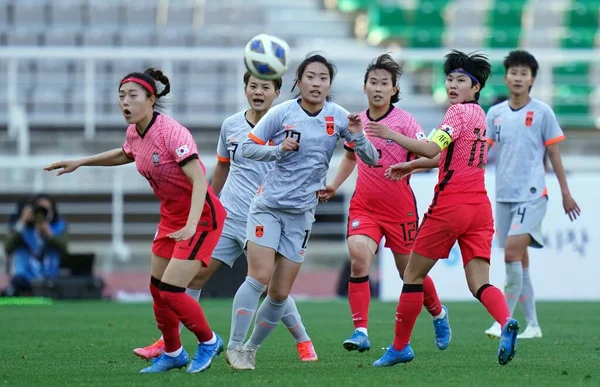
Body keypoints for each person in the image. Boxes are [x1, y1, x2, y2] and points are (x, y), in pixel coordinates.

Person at [45, 68, 226, 374]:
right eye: (121, 96)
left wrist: (193, 224)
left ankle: (209, 341)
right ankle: (173, 353)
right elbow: (127, 153)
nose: (124, 102)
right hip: (171, 217)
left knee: (171, 290)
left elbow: (198, 180)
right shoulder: (134, 132)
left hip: (201, 216)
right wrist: (81, 162)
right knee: (157, 289)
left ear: (151, 99)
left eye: (132, 96)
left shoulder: (173, 133)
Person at [133, 72, 317, 362]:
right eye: (253, 86)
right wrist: (209, 206)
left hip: (263, 216)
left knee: (270, 287)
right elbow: (221, 169)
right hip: (228, 215)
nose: (258, 92)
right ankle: (169, 341)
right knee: (192, 277)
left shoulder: (287, 126)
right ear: (245, 89)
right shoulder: (231, 125)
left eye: (265, 87)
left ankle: (303, 340)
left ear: (277, 92)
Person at [226, 53, 379, 370]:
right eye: (311, 76)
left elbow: (373, 158)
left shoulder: (338, 117)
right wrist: (277, 150)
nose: (317, 83)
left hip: (302, 214)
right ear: (299, 81)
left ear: (329, 84)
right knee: (259, 277)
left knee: (280, 294)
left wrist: (359, 134)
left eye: (323, 78)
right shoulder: (281, 113)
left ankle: (250, 349)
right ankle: (234, 346)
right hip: (268, 207)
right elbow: (247, 147)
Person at [368, 50, 519, 367]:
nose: (452, 85)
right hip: (480, 207)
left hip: (451, 205)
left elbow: (431, 146)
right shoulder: (480, 115)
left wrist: (391, 133)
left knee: (412, 274)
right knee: (480, 283)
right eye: (449, 79)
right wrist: (413, 167)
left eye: (461, 80)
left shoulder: (457, 113)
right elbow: (445, 156)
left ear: (475, 87)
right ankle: (506, 322)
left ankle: (400, 347)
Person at [319, 54, 450, 353]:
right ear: (365, 87)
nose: (378, 88)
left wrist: (409, 166)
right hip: (364, 206)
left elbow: (434, 156)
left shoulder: (404, 121)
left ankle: (439, 314)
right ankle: (360, 330)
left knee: (410, 273)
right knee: (359, 259)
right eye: (373, 82)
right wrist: (334, 185)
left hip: (399, 208)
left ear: (394, 89)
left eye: (384, 83)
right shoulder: (357, 123)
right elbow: (351, 157)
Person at [484, 50, 580, 339]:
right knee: (520, 260)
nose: (518, 77)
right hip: (504, 195)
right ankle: (534, 326)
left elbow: (554, 153)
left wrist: (565, 193)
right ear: (506, 77)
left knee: (511, 253)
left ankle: (504, 321)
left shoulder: (542, 112)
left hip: (533, 194)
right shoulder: (496, 113)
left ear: (532, 80)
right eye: (514, 72)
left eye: (524, 73)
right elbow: (482, 152)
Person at [3, 194, 68, 296]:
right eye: (40, 209)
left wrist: (49, 234)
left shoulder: (58, 227)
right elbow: (8, 248)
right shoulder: (23, 229)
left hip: (51, 278)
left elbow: (64, 249)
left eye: (47, 209)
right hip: (25, 278)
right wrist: (22, 221)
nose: (42, 213)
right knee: (18, 282)